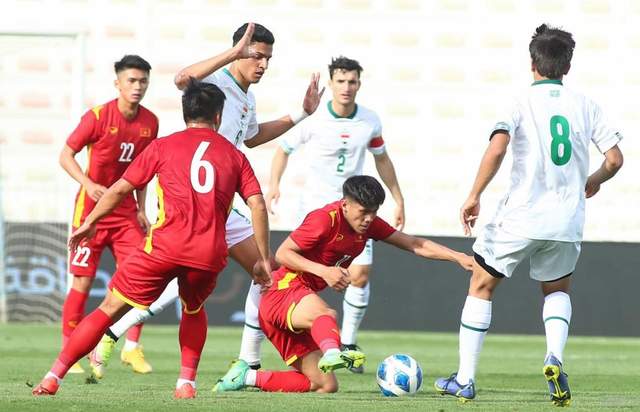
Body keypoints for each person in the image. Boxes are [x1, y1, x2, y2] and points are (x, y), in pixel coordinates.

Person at [91, 22, 324, 373]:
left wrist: (302, 114)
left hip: (222, 205)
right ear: (240, 52)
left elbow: (254, 136)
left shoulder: (247, 96)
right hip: (191, 200)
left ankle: (248, 360)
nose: (262, 64)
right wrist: (233, 53)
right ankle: (111, 333)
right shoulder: (215, 83)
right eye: (256, 56)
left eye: (267, 59)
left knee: (266, 272)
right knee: (176, 280)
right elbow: (182, 78)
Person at [32, 78, 273, 399]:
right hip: (208, 251)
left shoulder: (162, 146)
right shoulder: (233, 155)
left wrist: (90, 221)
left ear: (185, 113)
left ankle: (53, 377)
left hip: (164, 246)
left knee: (108, 308)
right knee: (193, 309)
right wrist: (263, 258)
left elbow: (120, 188)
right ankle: (185, 383)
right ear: (218, 116)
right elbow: (257, 203)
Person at [434, 24, 624, 406]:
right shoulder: (585, 105)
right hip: (567, 220)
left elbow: (497, 149)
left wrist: (474, 195)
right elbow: (615, 159)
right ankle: (554, 356)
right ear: (567, 66)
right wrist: (594, 180)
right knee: (555, 290)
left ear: (531, 63)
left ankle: (466, 379)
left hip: (521, 217)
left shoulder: (519, 102)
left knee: (481, 286)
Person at [214, 175, 473, 394]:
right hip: (283, 291)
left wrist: (457, 256)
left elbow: (414, 244)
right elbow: (282, 254)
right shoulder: (324, 219)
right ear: (346, 204)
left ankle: (245, 378)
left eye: (374, 212)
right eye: (364, 211)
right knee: (326, 315)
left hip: (294, 304)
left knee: (324, 384)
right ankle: (333, 352)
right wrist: (324, 271)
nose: (369, 218)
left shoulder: (366, 225)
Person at [265, 56, 405, 372]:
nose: (346, 87)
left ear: (359, 84)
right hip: (317, 212)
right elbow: (282, 150)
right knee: (291, 271)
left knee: (360, 274)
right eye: (340, 81)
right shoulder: (313, 120)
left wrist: (397, 197)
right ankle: (263, 342)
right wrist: (274, 185)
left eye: (352, 81)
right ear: (331, 83)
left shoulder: (370, 120)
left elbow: (382, 159)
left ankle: (348, 343)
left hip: (356, 212)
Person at [59, 55, 158, 376]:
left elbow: (144, 171)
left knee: (140, 280)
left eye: (143, 81)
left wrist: (143, 208)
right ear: (117, 83)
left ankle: (131, 348)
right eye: (131, 80)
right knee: (83, 283)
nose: (137, 86)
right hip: (91, 212)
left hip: (127, 212)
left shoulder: (150, 122)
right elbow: (65, 154)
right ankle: (70, 350)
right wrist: (88, 183)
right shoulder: (98, 116)